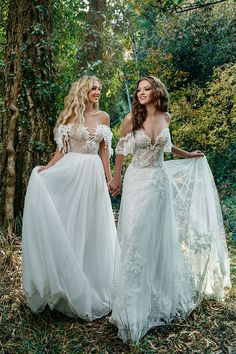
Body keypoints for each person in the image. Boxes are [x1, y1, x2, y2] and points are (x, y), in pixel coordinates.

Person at [109, 76, 231, 343]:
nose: (141, 93)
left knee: (159, 240)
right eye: (139, 90)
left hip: (159, 184)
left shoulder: (166, 118)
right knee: (135, 238)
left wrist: (189, 154)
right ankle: (131, 309)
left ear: (156, 91)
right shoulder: (131, 120)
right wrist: (116, 178)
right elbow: (120, 151)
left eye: (146, 88)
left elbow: (168, 146)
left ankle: (158, 300)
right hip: (137, 182)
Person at [22, 76, 118, 320]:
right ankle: (68, 286)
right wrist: (47, 168)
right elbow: (61, 151)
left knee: (93, 227)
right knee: (71, 225)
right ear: (82, 90)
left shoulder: (104, 117)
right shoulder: (69, 118)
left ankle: (92, 284)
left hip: (94, 175)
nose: (97, 91)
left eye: (99, 88)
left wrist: (110, 179)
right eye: (93, 88)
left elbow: (104, 151)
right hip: (71, 173)